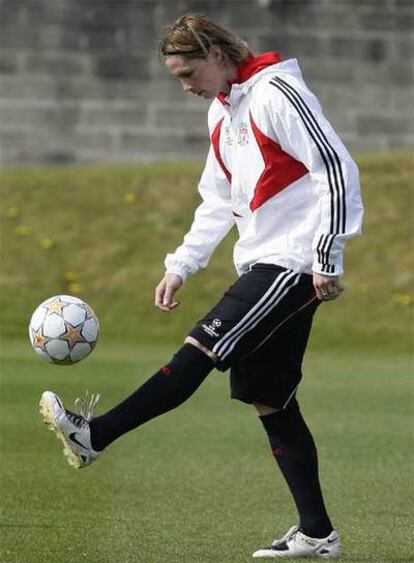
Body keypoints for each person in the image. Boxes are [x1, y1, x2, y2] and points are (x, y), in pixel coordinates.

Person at [39, 13, 363, 559]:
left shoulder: (276, 92)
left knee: (201, 348)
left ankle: (95, 436)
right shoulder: (223, 110)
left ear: (217, 54)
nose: (185, 86)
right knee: (270, 398)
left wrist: (328, 253)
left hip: (292, 262)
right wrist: (180, 265)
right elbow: (218, 199)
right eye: (176, 77)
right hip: (262, 261)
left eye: (188, 72)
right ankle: (316, 533)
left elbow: (334, 165)